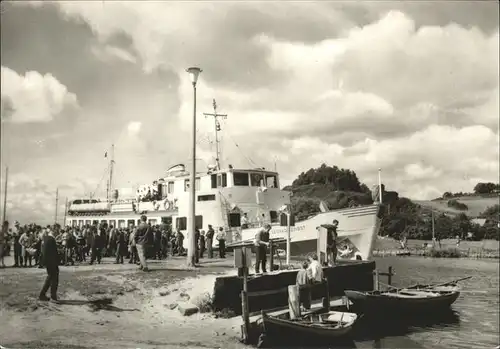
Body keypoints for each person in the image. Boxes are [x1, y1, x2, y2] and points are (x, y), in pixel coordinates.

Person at [39, 229, 60, 302]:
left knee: (50, 278)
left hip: (49, 262)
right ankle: (53, 297)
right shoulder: (50, 239)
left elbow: (45, 252)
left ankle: (42, 295)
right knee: (54, 279)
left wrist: (43, 263)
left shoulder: (46, 239)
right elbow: (50, 252)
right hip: (52, 262)